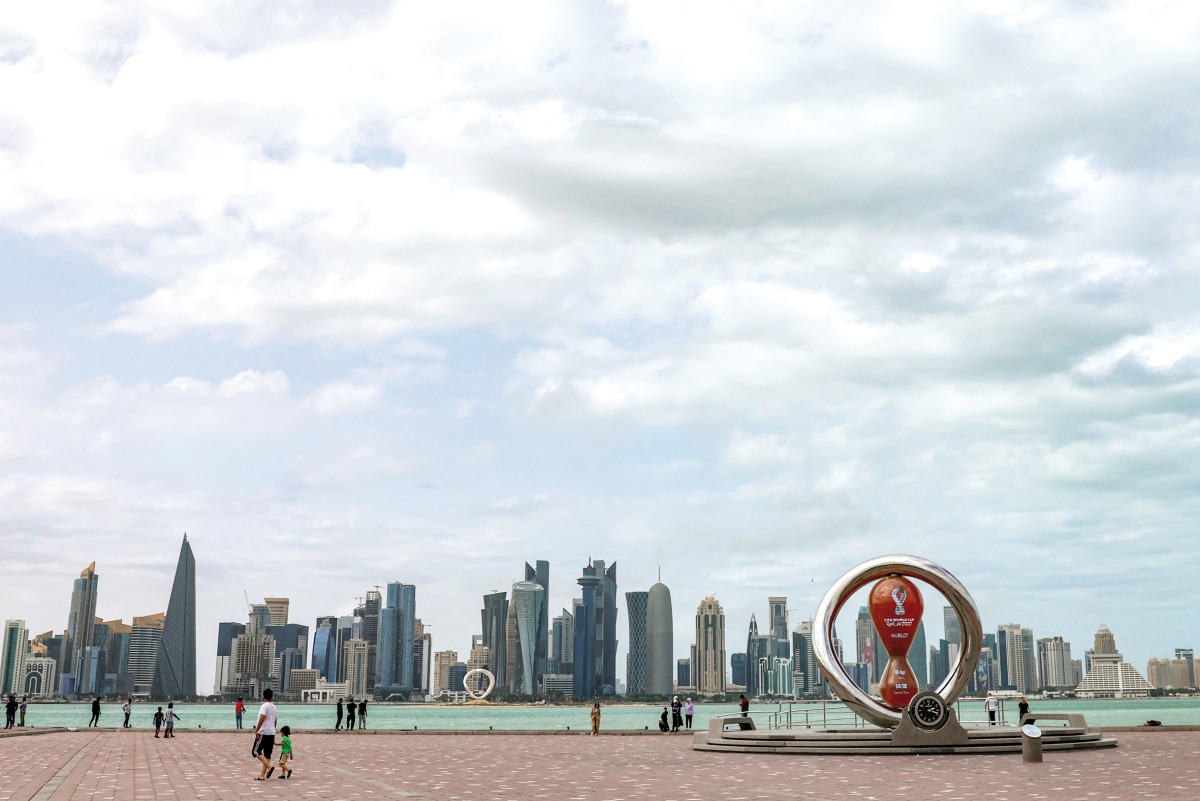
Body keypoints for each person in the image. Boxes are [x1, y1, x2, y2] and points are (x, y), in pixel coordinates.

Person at [253, 688, 278, 781]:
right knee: (267, 755)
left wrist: (257, 730)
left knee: (255, 752)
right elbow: (275, 720)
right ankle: (262, 775)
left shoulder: (264, 706)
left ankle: (270, 767)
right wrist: (274, 730)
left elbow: (262, 717)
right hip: (271, 732)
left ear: (263, 696)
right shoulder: (274, 707)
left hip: (263, 732)